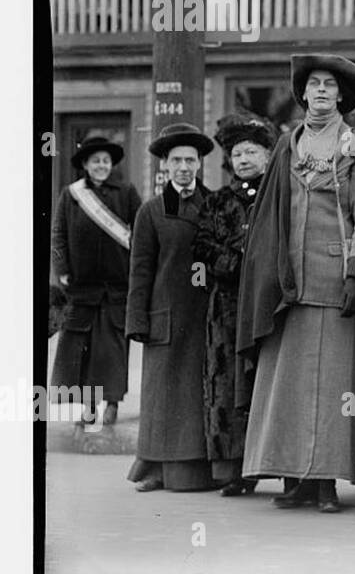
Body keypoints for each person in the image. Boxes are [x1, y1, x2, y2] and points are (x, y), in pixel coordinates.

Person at [237, 54, 355, 513]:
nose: (320, 91)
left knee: (333, 390)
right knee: (289, 387)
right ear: (303, 94)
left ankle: (325, 483)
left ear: (342, 95)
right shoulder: (287, 144)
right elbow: (270, 213)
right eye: (314, 85)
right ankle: (293, 477)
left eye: (329, 85)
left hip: (337, 284)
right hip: (289, 284)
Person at [125, 123, 215, 492]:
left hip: (204, 318)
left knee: (196, 396)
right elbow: (140, 270)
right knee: (163, 397)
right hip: (165, 318)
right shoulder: (151, 211)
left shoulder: (212, 205)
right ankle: (156, 470)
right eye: (176, 160)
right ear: (165, 165)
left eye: (190, 160)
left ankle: (198, 473)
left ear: (199, 164)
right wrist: (137, 319)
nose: (183, 167)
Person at [192, 113, 276, 496]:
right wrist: (235, 259)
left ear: (266, 154)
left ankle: (265, 464)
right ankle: (232, 468)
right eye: (237, 153)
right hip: (225, 305)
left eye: (251, 152)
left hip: (266, 303)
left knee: (262, 380)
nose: (243, 159)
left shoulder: (278, 198)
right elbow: (202, 247)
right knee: (226, 383)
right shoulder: (218, 201)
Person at [50, 135, 141, 430]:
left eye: (105, 161)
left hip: (117, 287)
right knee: (82, 350)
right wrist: (62, 268)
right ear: (86, 165)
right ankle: (87, 406)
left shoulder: (126, 192)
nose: (101, 166)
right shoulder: (71, 194)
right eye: (95, 161)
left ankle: (112, 403)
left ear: (111, 164)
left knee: (113, 350)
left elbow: (140, 234)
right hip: (83, 287)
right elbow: (58, 235)